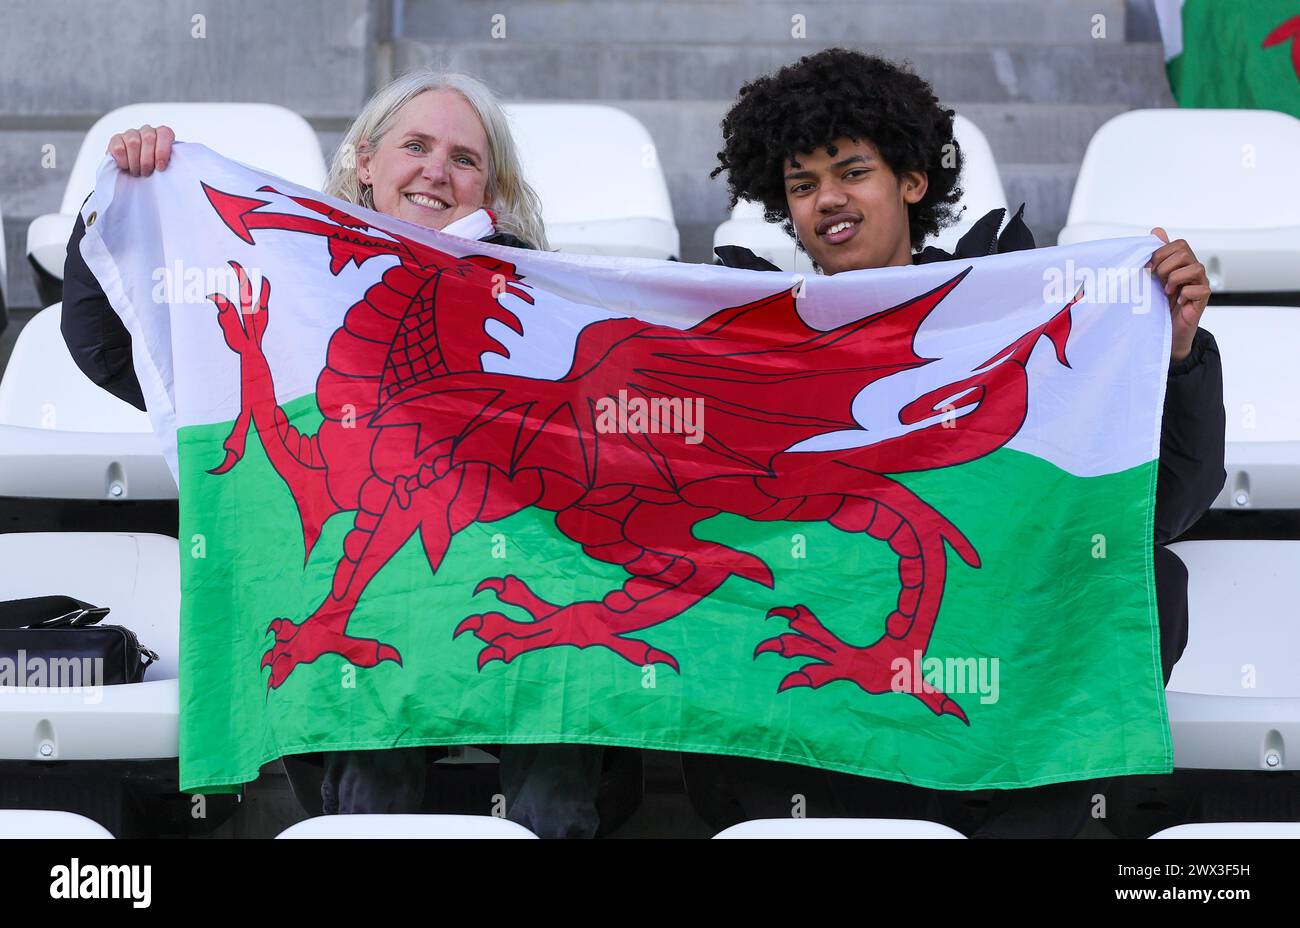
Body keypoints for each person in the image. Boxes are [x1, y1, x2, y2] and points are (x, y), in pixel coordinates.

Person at [686, 47, 1226, 838]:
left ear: (912, 181)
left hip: (990, 660)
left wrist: (1174, 353)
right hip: (808, 665)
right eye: (802, 185)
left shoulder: (1017, 314)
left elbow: (1168, 502)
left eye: (851, 171)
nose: (827, 200)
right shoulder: (745, 332)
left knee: (1144, 570)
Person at [61, 67, 609, 838]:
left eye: (464, 158)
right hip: (369, 599)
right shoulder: (288, 281)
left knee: (553, 765)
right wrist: (119, 204)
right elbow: (109, 348)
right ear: (364, 161)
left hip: (502, 595)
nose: (436, 171)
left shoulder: (535, 294)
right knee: (367, 750)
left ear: (489, 190)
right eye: (415, 145)